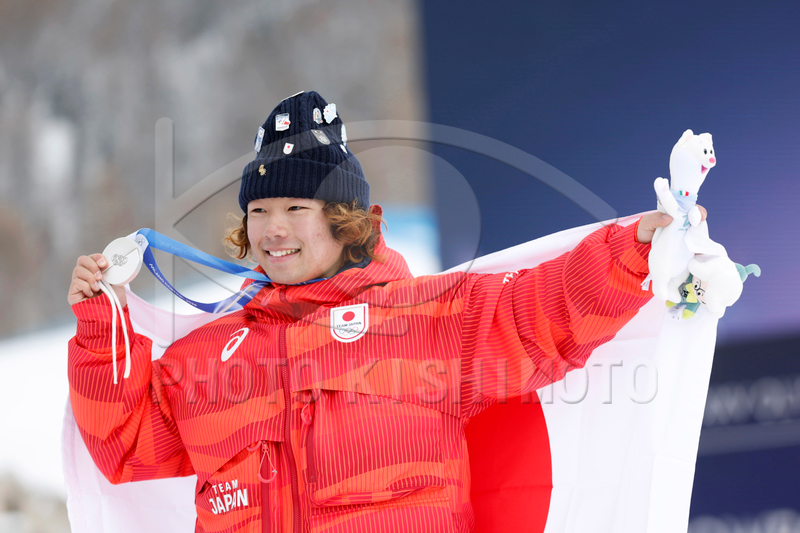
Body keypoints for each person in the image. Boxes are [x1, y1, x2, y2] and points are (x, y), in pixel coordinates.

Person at [67, 91, 705, 533]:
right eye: (259, 211)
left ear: (344, 220)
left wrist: (633, 250)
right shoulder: (212, 355)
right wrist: (100, 328)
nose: (273, 229)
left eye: (296, 209)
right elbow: (126, 444)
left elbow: (538, 311)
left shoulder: (426, 319)